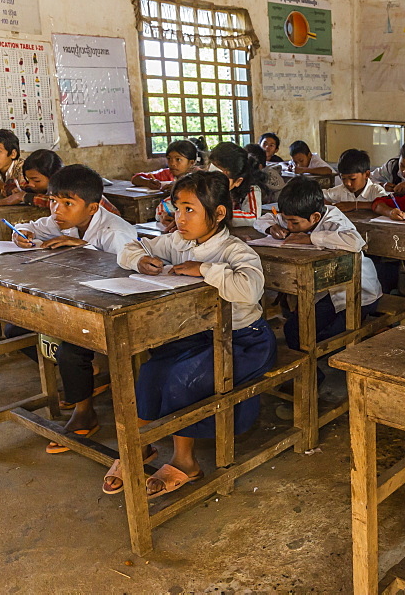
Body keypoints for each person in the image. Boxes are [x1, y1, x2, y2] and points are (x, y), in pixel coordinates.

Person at [105, 171, 277, 497]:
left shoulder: (234, 250)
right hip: (199, 337)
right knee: (151, 371)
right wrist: (140, 260)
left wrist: (205, 269)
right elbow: (129, 247)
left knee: (179, 379)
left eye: (189, 210)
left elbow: (251, 288)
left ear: (219, 213)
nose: (179, 218)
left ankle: (186, 462)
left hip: (244, 341)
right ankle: (138, 450)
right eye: (177, 209)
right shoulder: (177, 241)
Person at [11, 165, 137, 453]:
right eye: (54, 201)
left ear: (92, 207)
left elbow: (129, 271)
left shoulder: (114, 231)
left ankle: (84, 410)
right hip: (75, 299)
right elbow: (32, 226)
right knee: (14, 326)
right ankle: (86, 378)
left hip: (115, 307)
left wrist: (82, 246)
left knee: (72, 345)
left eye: (67, 203)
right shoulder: (59, 220)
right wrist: (21, 232)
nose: (57, 209)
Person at [254, 177, 382, 350]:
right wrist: (271, 227)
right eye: (286, 220)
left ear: (315, 217)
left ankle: (315, 372)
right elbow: (263, 219)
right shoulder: (296, 213)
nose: (289, 226)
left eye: (294, 222)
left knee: (302, 334)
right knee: (297, 328)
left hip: (354, 296)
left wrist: (309, 238)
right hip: (322, 292)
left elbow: (355, 242)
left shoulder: (334, 220)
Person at [0, 149, 120, 214]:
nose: (31, 184)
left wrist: (24, 197)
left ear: (54, 176)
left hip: (104, 230)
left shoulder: (73, 186)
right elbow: (14, 186)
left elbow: (55, 202)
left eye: (36, 180)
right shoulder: (37, 185)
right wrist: (13, 190)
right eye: (28, 179)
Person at [208, 142, 264, 227]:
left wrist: (216, 215)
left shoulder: (251, 190)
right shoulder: (203, 186)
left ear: (238, 181)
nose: (214, 183)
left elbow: (253, 216)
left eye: (221, 179)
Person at [323, 148, 387, 210]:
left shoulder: (375, 191)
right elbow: (319, 195)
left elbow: (386, 205)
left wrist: (355, 205)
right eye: (343, 178)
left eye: (352, 179)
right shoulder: (341, 190)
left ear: (367, 174)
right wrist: (327, 204)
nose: (347, 183)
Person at [131, 139, 202, 191]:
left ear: (191, 163)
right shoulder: (166, 173)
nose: (172, 163)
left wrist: (179, 187)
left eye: (178, 159)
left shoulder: (200, 176)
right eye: (169, 158)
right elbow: (136, 178)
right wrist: (148, 182)